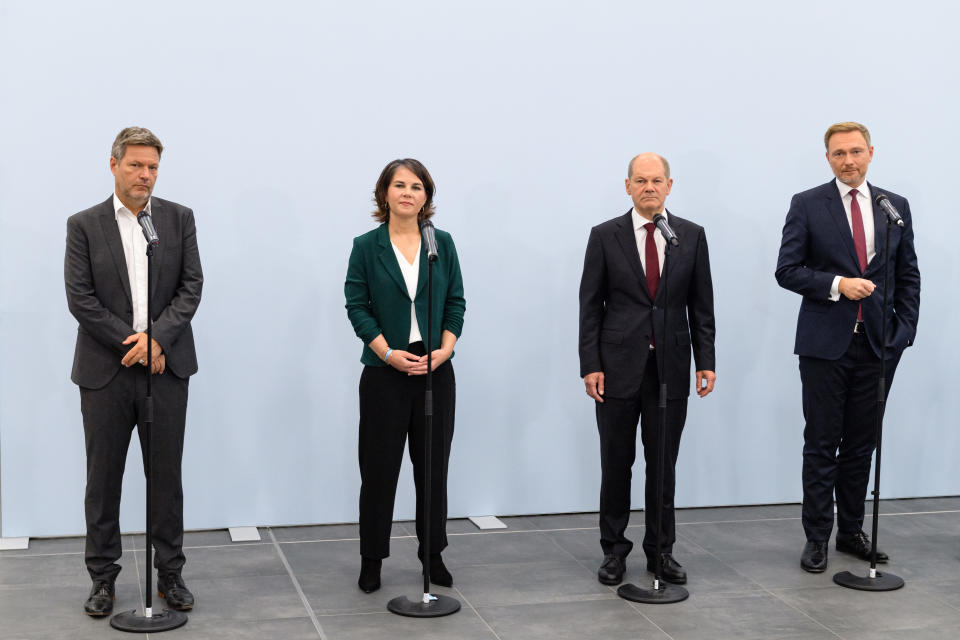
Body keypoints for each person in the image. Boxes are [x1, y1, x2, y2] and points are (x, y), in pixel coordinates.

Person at [65, 127, 203, 616]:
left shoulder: (177, 218)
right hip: (106, 371)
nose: (145, 175)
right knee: (103, 480)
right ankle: (102, 578)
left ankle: (171, 573)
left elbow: (192, 286)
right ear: (113, 165)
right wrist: (137, 344)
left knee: (165, 477)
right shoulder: (84, 224)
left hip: (166, 369)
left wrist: (159, 339)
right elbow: (80, 299)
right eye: (136, 166)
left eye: (153, 167)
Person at [776, 122, 920, 573]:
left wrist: (903, 333)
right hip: (824, 345)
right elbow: (787, 270)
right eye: (839, 153)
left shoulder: (894, 206)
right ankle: (817, 537)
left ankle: (852, 531)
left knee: (861, 444)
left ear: (871, 153)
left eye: (856, 151)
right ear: (828, 158)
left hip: (879, 346)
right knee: (821, 443)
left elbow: (908, 273)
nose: (849, 161)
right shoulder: (807, 204)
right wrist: (837, 284)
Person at [578, 153, 716, 586]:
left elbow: (702, 305)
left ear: (670, 186)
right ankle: (614, 552)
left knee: (663, 466)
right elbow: (590, 308)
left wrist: (706, 361)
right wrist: (590, 365)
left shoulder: (689, 236)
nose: (649, 187)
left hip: (671, 367)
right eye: (641, 180)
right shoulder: (605, 236)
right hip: (617, 368)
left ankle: (661, 552)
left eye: (657, 180)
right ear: (627, 186)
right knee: (616, 465)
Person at [344, 158, 465, 594]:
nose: (408, 193)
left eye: (417, 186)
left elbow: (456, 301)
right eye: (399, 185)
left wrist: (446, 350)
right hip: (385, 372)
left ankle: (432, 555)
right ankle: (372, 558)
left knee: (433, 471)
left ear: (426, 197)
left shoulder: (442, 244)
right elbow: (356, 306)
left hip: (436, 372)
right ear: (385, 194)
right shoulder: (366, 245)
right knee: (378, 472)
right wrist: (387, 352)